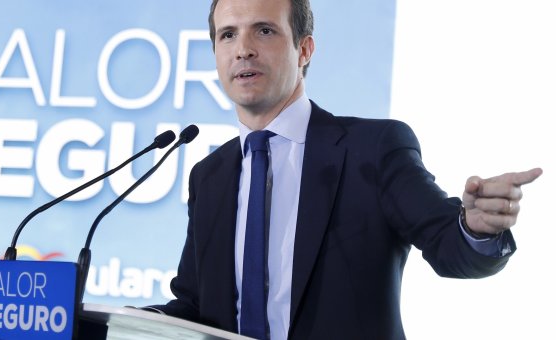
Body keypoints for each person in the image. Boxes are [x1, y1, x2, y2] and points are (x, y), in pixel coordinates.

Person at [145, 0, 543, 339]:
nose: (243, 49)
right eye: (228, 34)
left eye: (264, 31)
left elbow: (450, 247)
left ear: (304, 50)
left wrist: (475, 229)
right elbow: (197, 303)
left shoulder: (374, 148)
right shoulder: (208, 175)